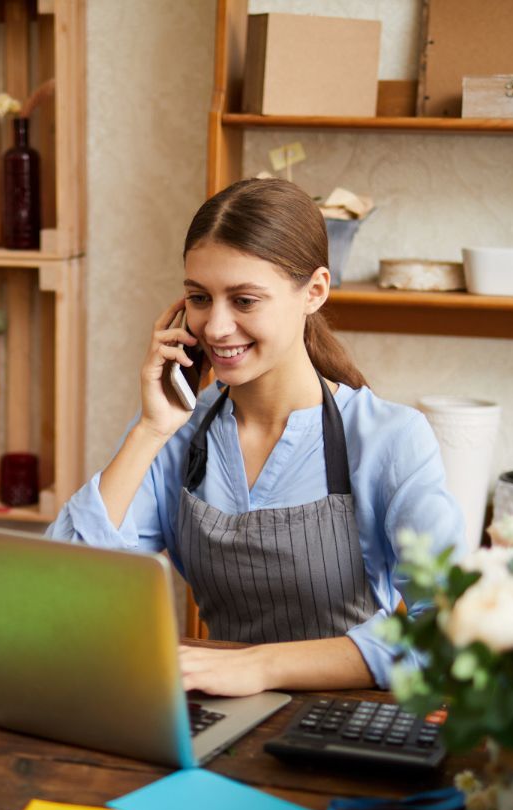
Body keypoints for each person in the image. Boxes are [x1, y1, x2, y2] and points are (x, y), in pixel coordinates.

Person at [49, 177, 464, 697]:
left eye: (244, 300)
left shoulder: (389, 438)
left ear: (314, 291)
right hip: (214, 714)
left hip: (344, 720)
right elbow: (63, 588)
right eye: (199, 298)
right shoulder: (181, 432)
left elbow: (451, 631)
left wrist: (263, 667)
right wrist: (150, 429)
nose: (216, 327)